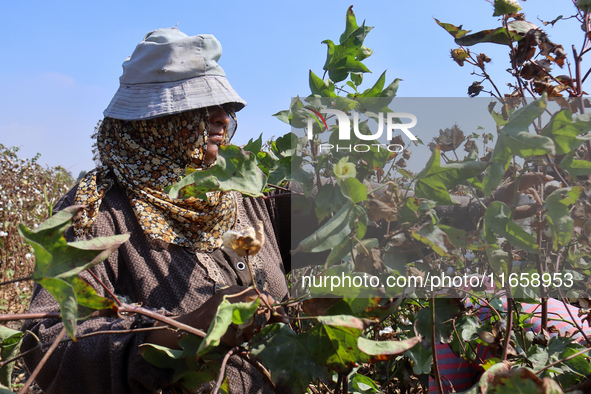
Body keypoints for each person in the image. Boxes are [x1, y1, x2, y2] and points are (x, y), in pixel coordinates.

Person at [22, 27, 289, 394]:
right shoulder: (93, 211)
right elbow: (48, 345)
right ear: (154, 123)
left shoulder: (243, 194)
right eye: (201, 107)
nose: (222, 119)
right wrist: (181, 329)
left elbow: (329, 227)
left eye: (224, 107)